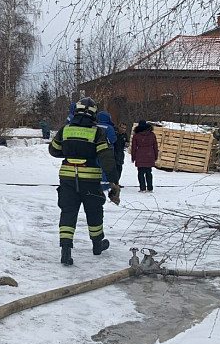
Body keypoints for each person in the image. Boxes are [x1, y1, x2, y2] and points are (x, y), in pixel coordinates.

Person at [49, 97, 120, 266]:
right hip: (90, 181)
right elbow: (107, 158)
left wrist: (70, 151)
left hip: (67, 180)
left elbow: (54, 150)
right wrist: (113, 181)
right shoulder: (97, 133)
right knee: (94, 211)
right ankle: (97, 245)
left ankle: (65, 249)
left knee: (68, 212)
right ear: (94, 114)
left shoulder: (65, 130)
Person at [131, 120, 159, 192]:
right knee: (148, 172)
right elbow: (155, 146)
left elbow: (134, 147)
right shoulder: (152, 134)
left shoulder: (136, 135)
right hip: (150, 154)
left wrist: (133, 157)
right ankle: (150, 188)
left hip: (140, 155)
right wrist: (156, 155)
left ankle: (142, 188)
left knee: (140, 172)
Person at [96, 111, 117, 190]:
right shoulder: (109, 127)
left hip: (95, 150)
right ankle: (104, 185)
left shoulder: (94, 126)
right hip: (106, 151)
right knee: (105, 168)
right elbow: (112, 139)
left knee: (96, 166)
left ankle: (95, 183)